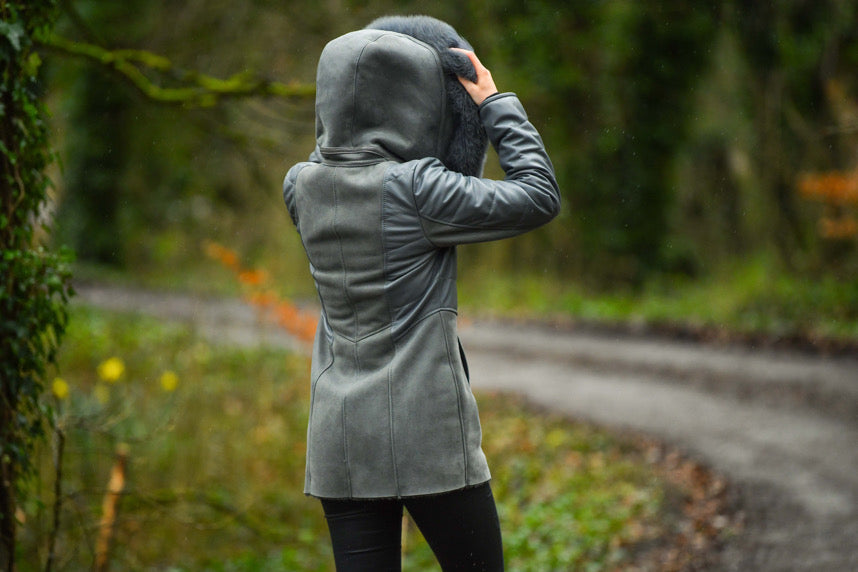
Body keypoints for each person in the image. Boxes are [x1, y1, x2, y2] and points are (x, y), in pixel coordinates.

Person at [282, 15, 560, 571]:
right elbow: (538, 193)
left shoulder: (300, 186)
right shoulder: (418, 191)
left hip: (341, 444)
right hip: (428, 440)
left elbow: (334, 153)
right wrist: (492, 104)